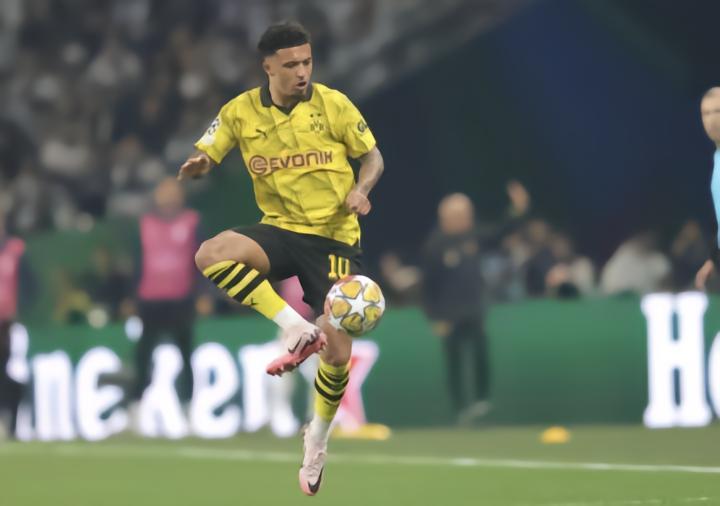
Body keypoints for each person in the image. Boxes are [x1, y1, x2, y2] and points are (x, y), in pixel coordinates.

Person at [177, 22, 384, 496]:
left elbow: (373, 157)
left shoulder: (333, 104)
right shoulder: (240, 112)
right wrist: (202, 164)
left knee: (337, 353)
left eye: (307, 62)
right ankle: (294, 327)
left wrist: (362, 188)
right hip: (281, 229)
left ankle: (317, 439)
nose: (302, 71)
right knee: (211, 254)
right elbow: (208, 151)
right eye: (291, 64)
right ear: (267, 67)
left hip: (333, 239)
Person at [133, 177, 204, 405]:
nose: (169, 197)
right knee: (143, 355)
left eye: (173, 192)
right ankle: (135, 406)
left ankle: (188, 407)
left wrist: (203, 293)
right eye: (164, 192)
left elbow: (203, 259)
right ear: (156, 196)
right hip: (150, 300)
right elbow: (136, 261)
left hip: (181, 299)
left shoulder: (192, 221)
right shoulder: (144, 224)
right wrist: (130, 296)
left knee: (186, 354)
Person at [0, 209, 33, 438]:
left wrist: (21, 310)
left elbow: (31, 284)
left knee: (12, 372)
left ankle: (12, 421)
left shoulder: (16, 249)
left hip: (10, 324)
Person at [695, 87, 720, 289]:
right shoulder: (716, 158)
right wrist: (714, 258)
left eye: (718, 111)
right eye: (706, 113)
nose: (712, 119)